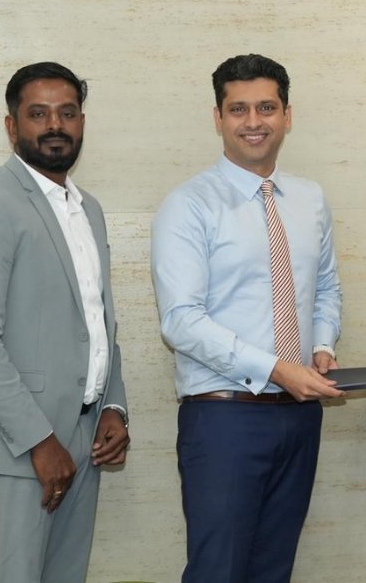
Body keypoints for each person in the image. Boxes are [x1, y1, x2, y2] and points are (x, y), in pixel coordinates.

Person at [151, 53, 343, 583]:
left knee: (273, 572)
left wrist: (322, 347)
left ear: (287, 115)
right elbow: (181, 321)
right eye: (238, 109)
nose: (253, 122)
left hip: (301, 415)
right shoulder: (188, 205)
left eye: (266, 108)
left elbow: (326, 287)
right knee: (218, 571)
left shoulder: (310, 199)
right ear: (218, 118)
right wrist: (276, 368)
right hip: (224, 418)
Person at [0, 61, 130, 583]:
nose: (54, 125)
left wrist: (113, 406)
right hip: (15, 452)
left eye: (67, 113)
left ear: (82, 122)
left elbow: (99, 322)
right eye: (38, 114)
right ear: (12, 126)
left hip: (83, 442)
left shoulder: (88, 209)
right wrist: (38, 441)